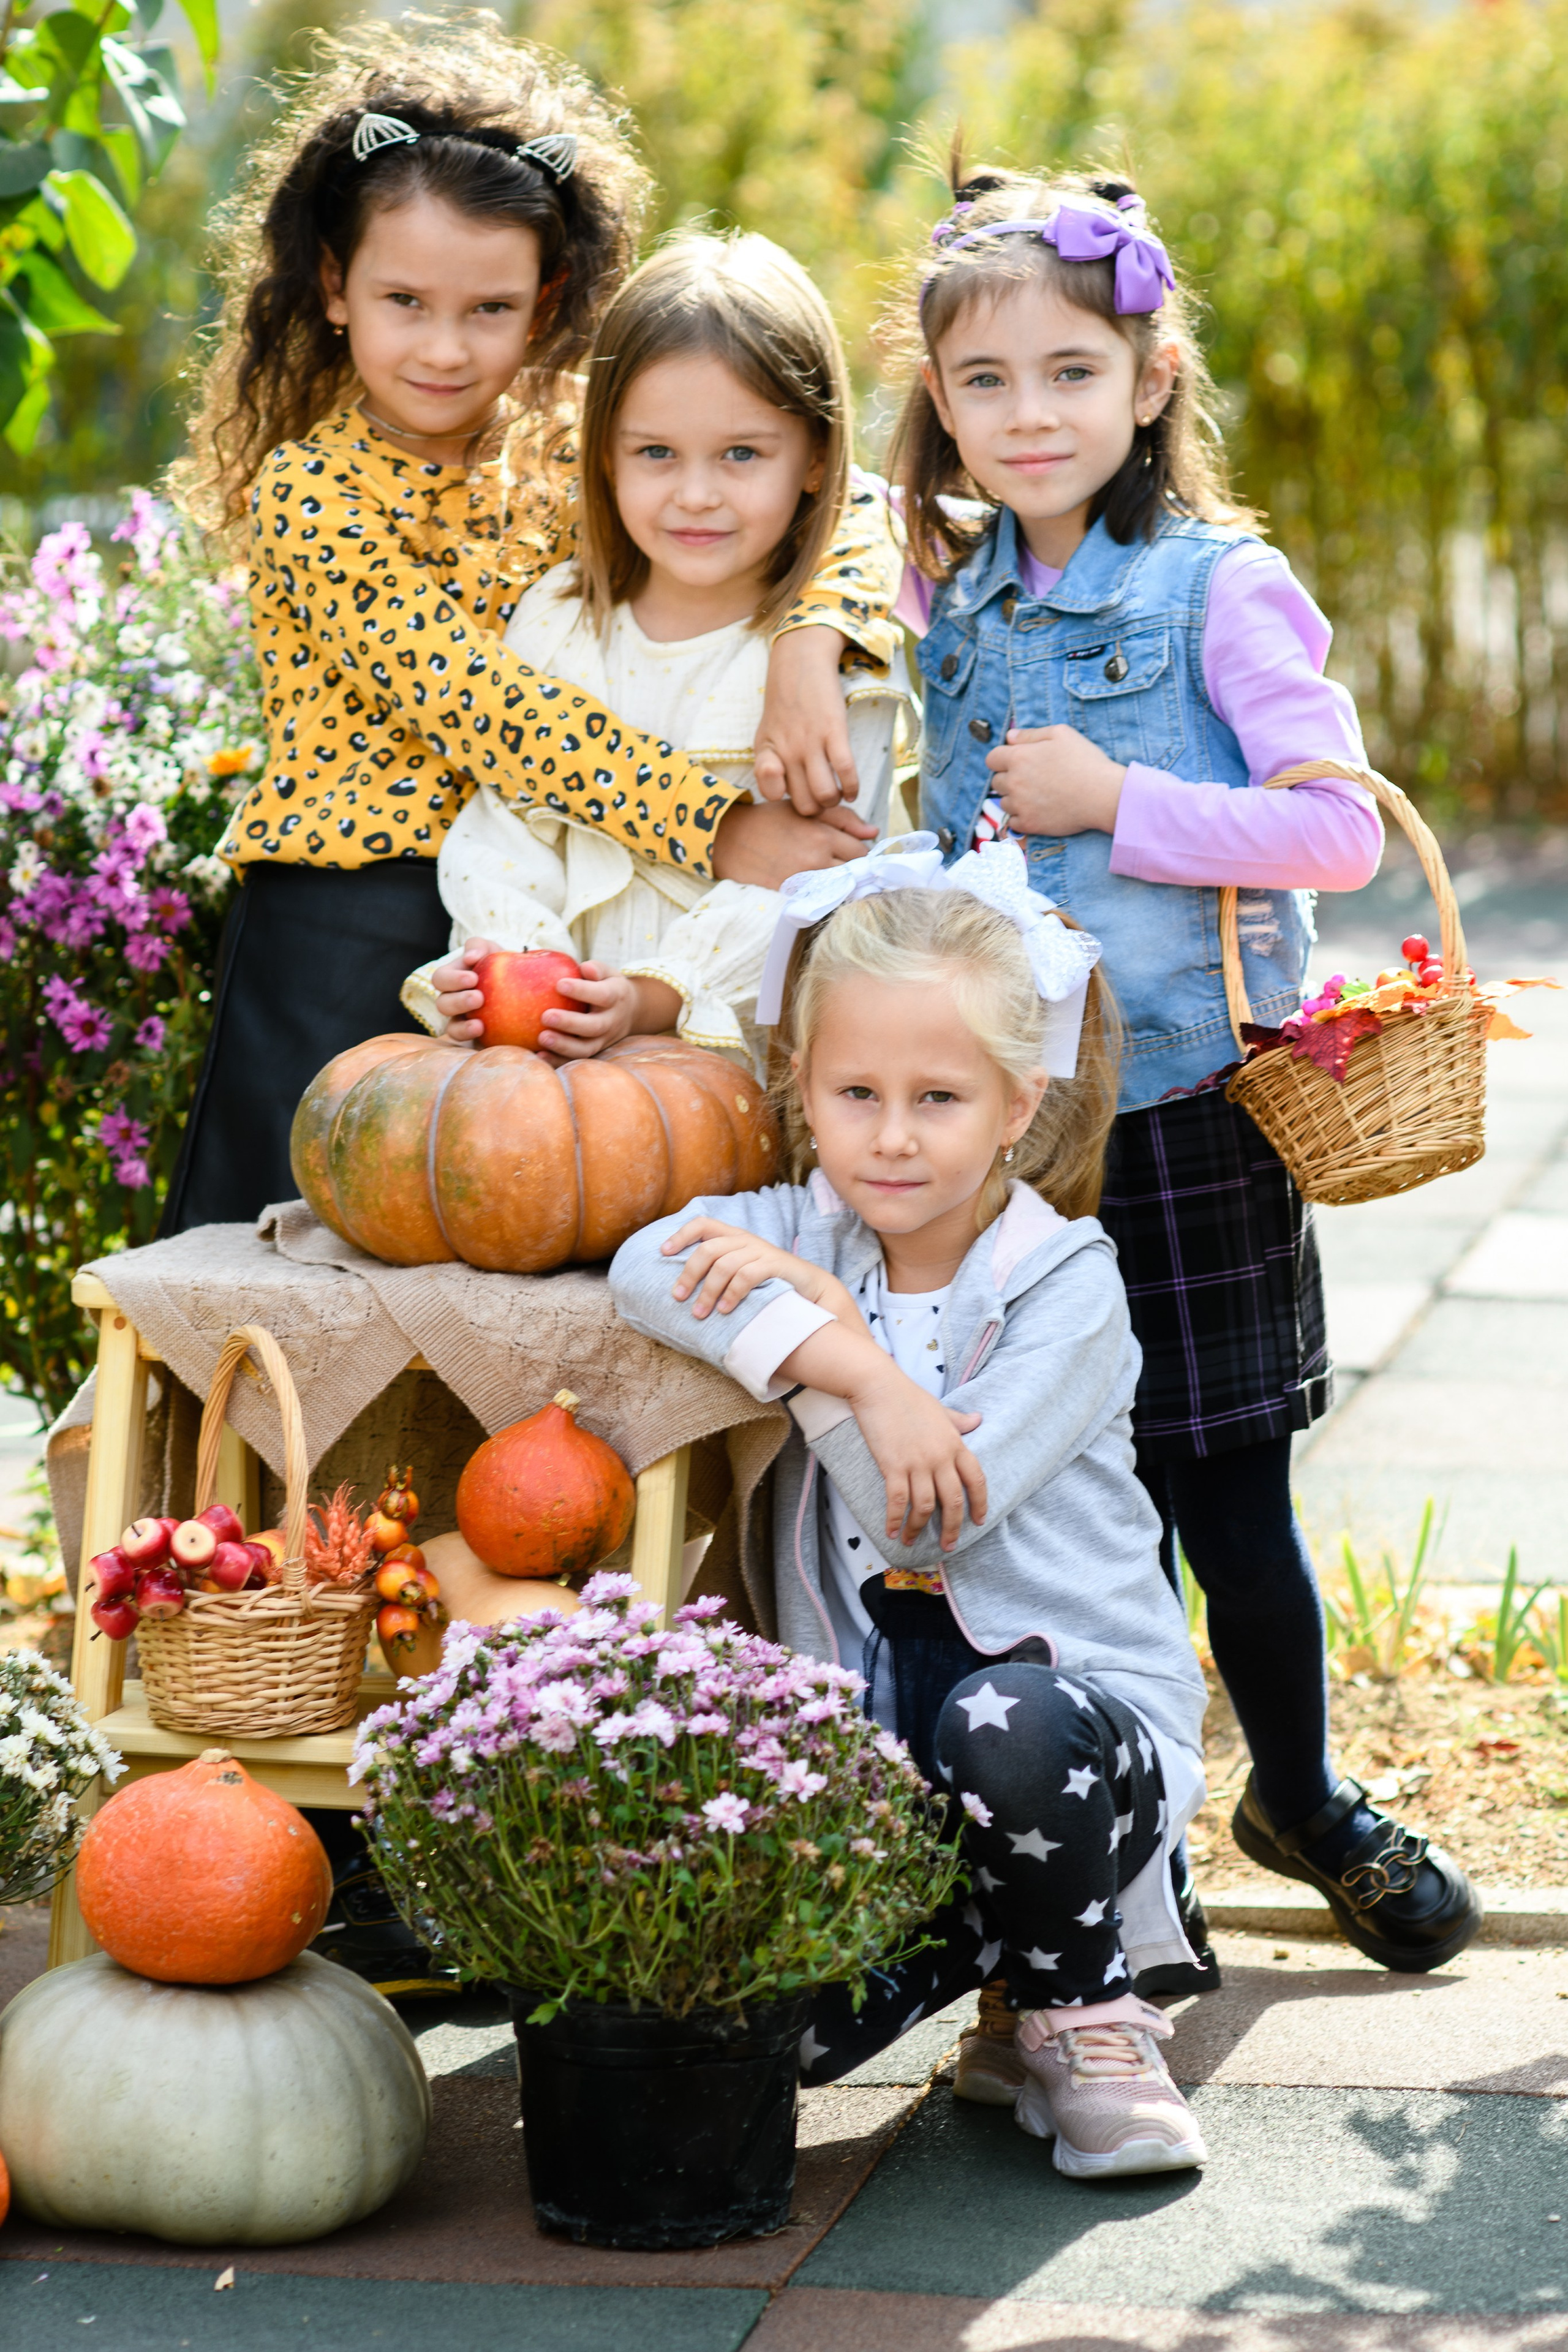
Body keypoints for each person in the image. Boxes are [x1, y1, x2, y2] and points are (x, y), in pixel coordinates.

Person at [889, 159, 1479, 1982]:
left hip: (1188, 1120)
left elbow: (1333, 838)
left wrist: (1120, 804)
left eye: (1069, 371)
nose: (1026, 415)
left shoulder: (1226, 586)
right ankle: (1127, 1840)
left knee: (1228, 1492)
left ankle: (1295, 1789)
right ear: (940, 404)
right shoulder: (952, 600)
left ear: (1149, 381)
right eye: (982, 383)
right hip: (1015, 1146)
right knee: (1070, 1510)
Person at [160, 20, 900, 1234]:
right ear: (334, 289)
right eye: (404, 300)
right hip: (351, 915)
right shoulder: (313, 499)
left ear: (548, 300)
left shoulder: (580, 443)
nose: (445, 347)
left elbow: (845, 501)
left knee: (501, 1243)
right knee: (287, 1257)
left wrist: (809, 641)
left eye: (490, 307)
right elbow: (484, 706)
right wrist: (717, 827)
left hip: (541, 900)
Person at [611, 842, 1214, 2181]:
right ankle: (1005, 1989)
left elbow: (919, 1525)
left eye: (937, 1097)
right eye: (854, 1093)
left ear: (1017, 1104)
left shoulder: (1066, 1284)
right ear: (802, 1093)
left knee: (997, 1723)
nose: (889, 1135)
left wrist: (842, 1361)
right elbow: (646, 1260)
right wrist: (851, 1360)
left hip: (1070, 1733)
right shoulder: (802, 1230)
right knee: (784, 2032)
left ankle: (1082, 2015)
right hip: (882, 1745)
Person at [411, 229, 914, 1072]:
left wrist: (656, 994)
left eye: (742, 455)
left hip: (738, 1067)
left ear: (818, 460)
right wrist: (509, 966)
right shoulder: (560, 622)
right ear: (605, 456)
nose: (696, 495)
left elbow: (823, 880)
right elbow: (505, 833)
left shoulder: (833, 657)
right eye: (655, 454)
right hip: (549, 1058)